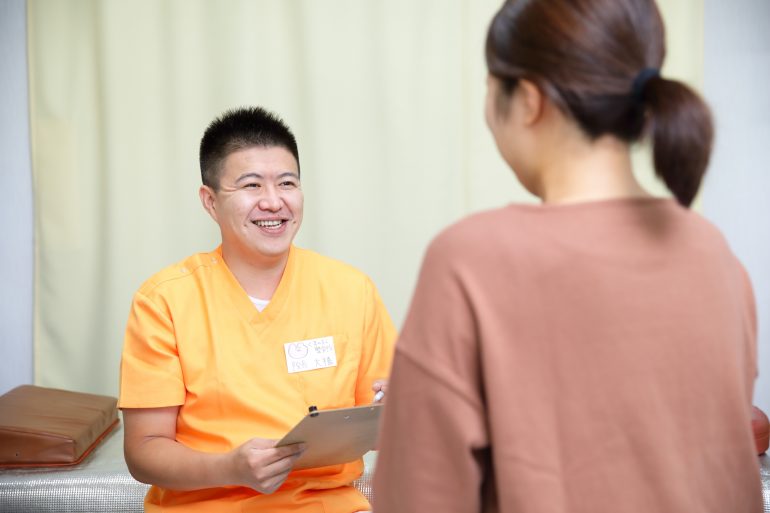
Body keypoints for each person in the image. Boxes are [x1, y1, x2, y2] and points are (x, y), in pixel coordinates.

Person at [373, 0, 762, 512]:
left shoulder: (470, 261)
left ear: (530, 100)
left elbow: (417, 499)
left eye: (491, 90)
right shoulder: (713, 253)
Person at [119, 106, 396, 512]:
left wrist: (396, 416)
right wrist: (230, 468)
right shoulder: (164, 300)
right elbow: (143, 450)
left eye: (287, 183)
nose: (273, 202)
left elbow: (383, 419)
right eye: (251, 185)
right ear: (210, 202)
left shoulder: (351, 290)